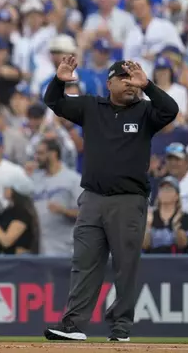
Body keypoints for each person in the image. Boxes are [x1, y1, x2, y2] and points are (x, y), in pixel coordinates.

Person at [42, 56, 178, 342]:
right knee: (84, 262)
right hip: (92, 198)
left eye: (134, 79)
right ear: (110, 83)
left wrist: (148, 86)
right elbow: (54, 102)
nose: (131, 84)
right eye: (125, 78)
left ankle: (121, 328)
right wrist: (59, 80)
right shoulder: (92, 106)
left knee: (125, 265)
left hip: (129, 200)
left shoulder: (144, 111)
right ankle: (74, 325)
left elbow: (171, 110)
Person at [142, 176, 188, 254]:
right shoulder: (150, 216)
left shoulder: (184, 217)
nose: (165, 192)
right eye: (162, 189)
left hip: (177, 262)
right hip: (153, 262)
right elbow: (144, 245)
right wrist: (147, 227)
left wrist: (176, 228)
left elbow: (183, 245)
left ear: (177, 196)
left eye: (169, 189)